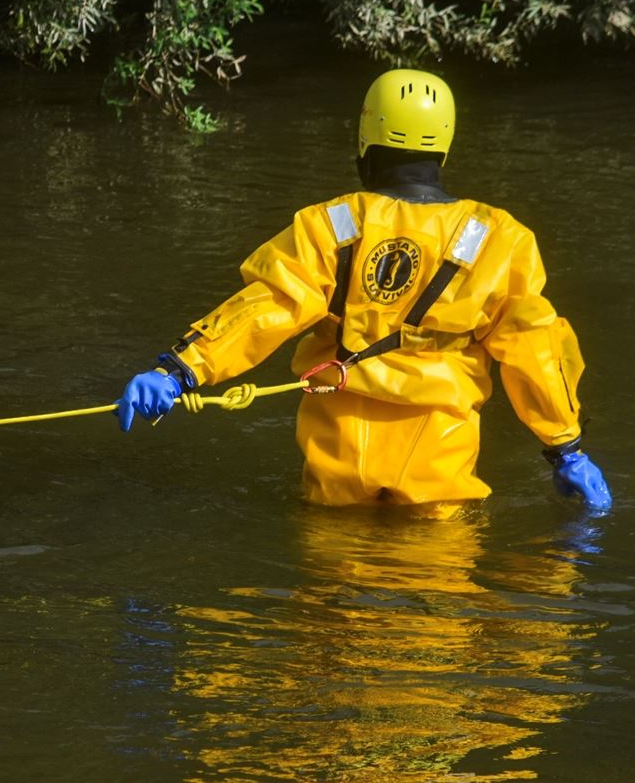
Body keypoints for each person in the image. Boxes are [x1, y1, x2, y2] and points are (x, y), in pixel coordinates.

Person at [117, 69, 611, 517]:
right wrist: (566, 448)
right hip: (437, 456)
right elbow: (536, 348)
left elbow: (269, 307)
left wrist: (180, 370)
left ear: (364, 137)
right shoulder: (499, 237)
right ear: (445, 145)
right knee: (435, 601)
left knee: (331, 598)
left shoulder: (329, 226)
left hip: (340, 456)